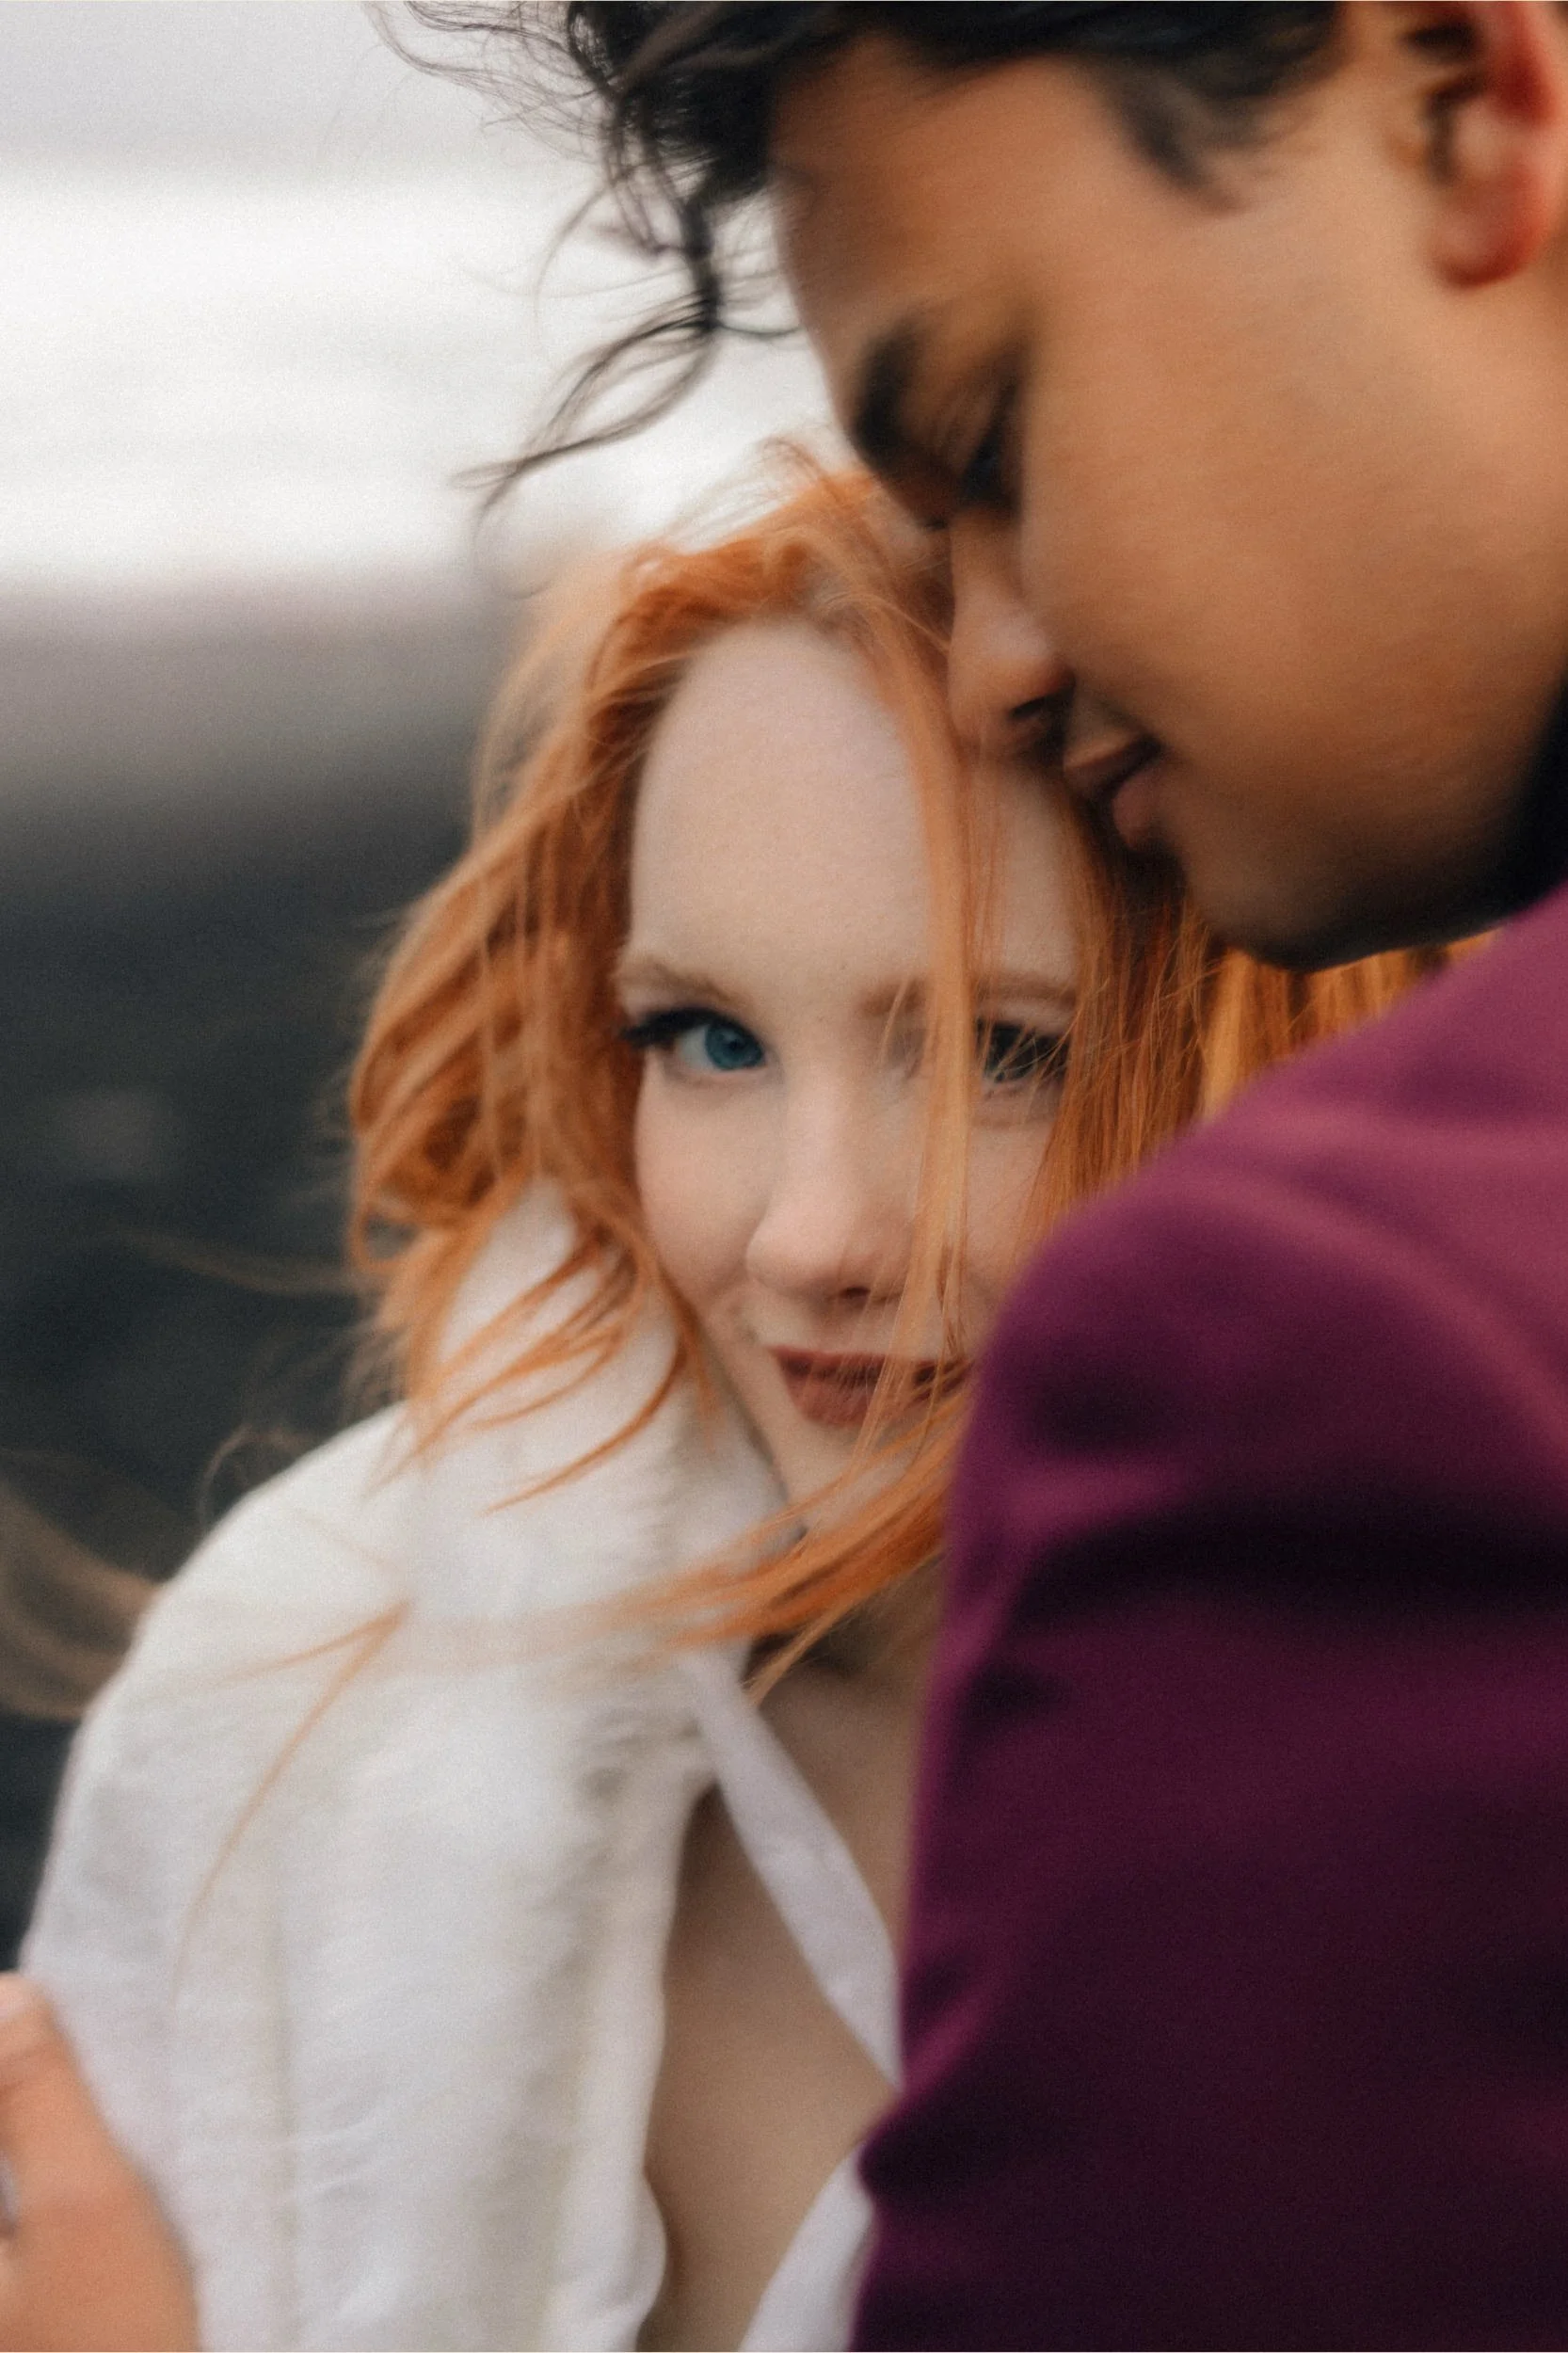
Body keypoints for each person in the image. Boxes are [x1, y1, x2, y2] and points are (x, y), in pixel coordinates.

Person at [8, 466, 1442, 2351]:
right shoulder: (307, 1679)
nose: (808, 1234)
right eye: (709, 1038)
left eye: (1002, 1052)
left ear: (1299, 1047)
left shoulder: (1465, 1815)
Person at [436, 4, 1568, 2345]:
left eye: (988, 436)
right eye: (701, 1034)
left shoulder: (1344, 1337)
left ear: (1461, 97)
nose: (990, 667)